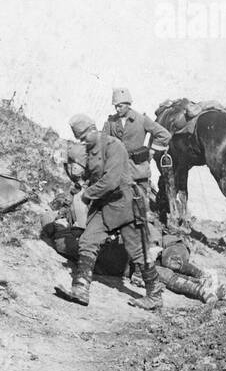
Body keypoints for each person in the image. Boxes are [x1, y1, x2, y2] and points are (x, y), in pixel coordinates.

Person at [54, 114, 166, 310]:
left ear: (92, 129)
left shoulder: (114, 146)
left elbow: (111, 181)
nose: (82, 142)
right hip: (104, 206)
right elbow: (87, 177)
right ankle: (80, 289)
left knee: (138, 251)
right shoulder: (89, 150)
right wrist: (70, 168)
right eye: (79, 139)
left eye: (83, 137)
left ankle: (154, 295)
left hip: (126, 205)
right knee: (88, 241)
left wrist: (87, 194)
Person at [103, 87, 171, 183]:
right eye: (115, 106)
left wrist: (152, 151)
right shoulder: (111, 122)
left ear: (128, 104)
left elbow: (164, 134)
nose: (117, 109)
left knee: (141, 195)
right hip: (116, 171)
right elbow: (103, 143)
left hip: (138, 171)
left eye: (120, 106)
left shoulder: (141, 119)